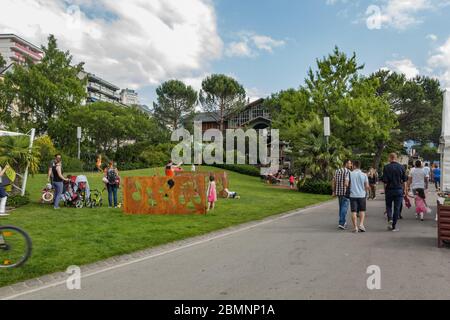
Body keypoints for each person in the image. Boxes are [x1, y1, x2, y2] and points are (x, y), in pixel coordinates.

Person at [383, 153, 408, 232]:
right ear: (396, 158)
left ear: (390, 158)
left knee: (388, 205)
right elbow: (404, 181)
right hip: (399, 189)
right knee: (397, 208)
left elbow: (385, 181)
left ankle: (389, 218)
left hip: (389, 189)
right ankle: (394, 225)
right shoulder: (401, 167)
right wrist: (405, 190)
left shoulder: (386, 167)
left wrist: (385, 190)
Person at [349, 161, 370, 233]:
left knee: (353, 211)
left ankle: (355, 227)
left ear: (354, 166)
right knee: (362, 210)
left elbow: (346, 184)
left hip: (353, 195)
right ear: (359, 166)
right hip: (362, 195)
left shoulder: (350, 174)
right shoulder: (364, 175)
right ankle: (361, 225)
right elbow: (367, 186)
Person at [332, 159, 352, 230]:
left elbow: (333, 181)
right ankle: (341, 223)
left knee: (341, 207)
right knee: (345, 208)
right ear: (346, 164)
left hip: (338, 192)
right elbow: (347, 183)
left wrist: (333, 191)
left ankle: (343, 221)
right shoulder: (348, 172)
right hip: (346, 193)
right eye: (349, 163)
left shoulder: (337, 171)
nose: (351, 165)